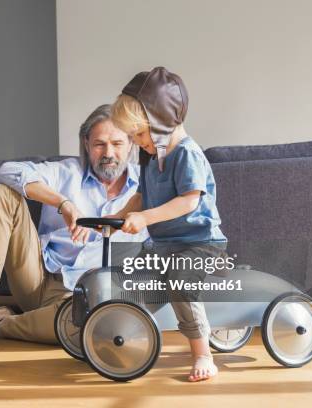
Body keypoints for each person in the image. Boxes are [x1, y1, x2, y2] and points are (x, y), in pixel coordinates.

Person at [0, 104, 148, 347]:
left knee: (90, 326)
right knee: (1, 194)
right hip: (39, 279)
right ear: (86, 144)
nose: (108, 152)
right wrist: (63, 203)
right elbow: (9, 171)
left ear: (131, 144)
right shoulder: (65, 171)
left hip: (88, 296)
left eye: (117, 144)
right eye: (99, 144)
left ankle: (0, 322)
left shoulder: (147, 187)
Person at [110, 67, 228, 382]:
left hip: (199, 243)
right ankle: (125, 332)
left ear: (162, 121)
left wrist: (146, 218)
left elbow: (189, 201)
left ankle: (203, 353)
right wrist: (118, 215)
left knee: (180, 280)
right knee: (131, 276)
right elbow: (140, 195)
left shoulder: (187, 154)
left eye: (139, 134)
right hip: (164, 244)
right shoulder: (151, 157)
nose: (137, 142)